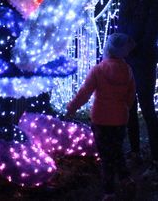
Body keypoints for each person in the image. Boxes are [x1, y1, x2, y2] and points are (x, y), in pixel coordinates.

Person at [66, 33, 137, 201]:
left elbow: (84, 93)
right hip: (120, 118)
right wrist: (125, 108)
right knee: (117, 151)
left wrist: (72, 108)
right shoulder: (127, 70)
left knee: (105, 157)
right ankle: (126, 179)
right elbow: (131, 95)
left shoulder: (98, 70)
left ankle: (109, 192)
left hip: (101, 119)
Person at [117, 0, 158, 179]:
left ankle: (157, 160)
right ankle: (136, 151)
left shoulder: (155, 4)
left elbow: (152, 34)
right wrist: (124, 47)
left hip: (144, 60)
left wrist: (134, 47)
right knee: (129, 106)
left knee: (147, 108)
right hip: (127, 58)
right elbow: (122, 23)